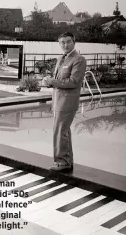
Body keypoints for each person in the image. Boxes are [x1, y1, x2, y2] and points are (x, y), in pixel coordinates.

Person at [43, 32, 86, 171]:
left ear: (74, 42)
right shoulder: (60, 59)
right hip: (57, 100)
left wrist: (53, 81)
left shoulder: (79, 59)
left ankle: (63, 163)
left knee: (60, 131)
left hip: (67, 102)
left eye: (68, 42)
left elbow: (73, 82)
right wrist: (49, 82)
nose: (65, 45)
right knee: (64, 131)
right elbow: (59, 80)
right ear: (59, 44)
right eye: (62, 42)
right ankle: (67, 161)